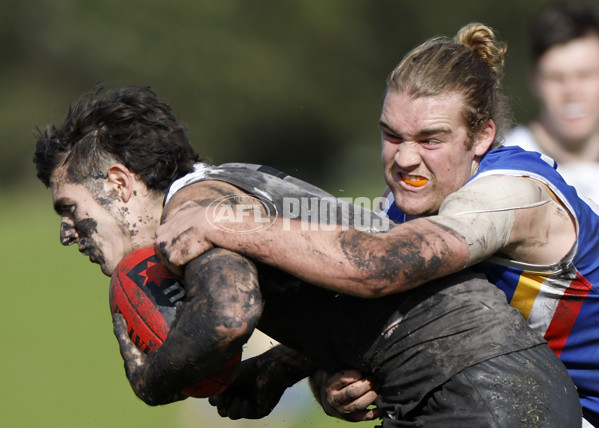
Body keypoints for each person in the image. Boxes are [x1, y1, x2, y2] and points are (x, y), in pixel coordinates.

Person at [33, 85, 581, 427]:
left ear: (120, 182)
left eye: (69, 207)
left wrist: (153, 380)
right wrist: (273, 372)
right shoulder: (233, 184)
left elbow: (226, 316)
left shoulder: (195, 208)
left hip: (485, 399)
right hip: (494, 390)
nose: (67, 232)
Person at [154, 22, 599, 427]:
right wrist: (322, 379)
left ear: (482, 135)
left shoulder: (514, 195)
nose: (405, 159)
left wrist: (224, 222)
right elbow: (375, 315)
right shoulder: (405, 208)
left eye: (430, 140)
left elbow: (375, 267)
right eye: (392, 136)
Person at [504, 0, 599, 204]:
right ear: (534, 80)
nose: (572, 92)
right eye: (556, 77)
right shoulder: (506, 166)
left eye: (585, 75)